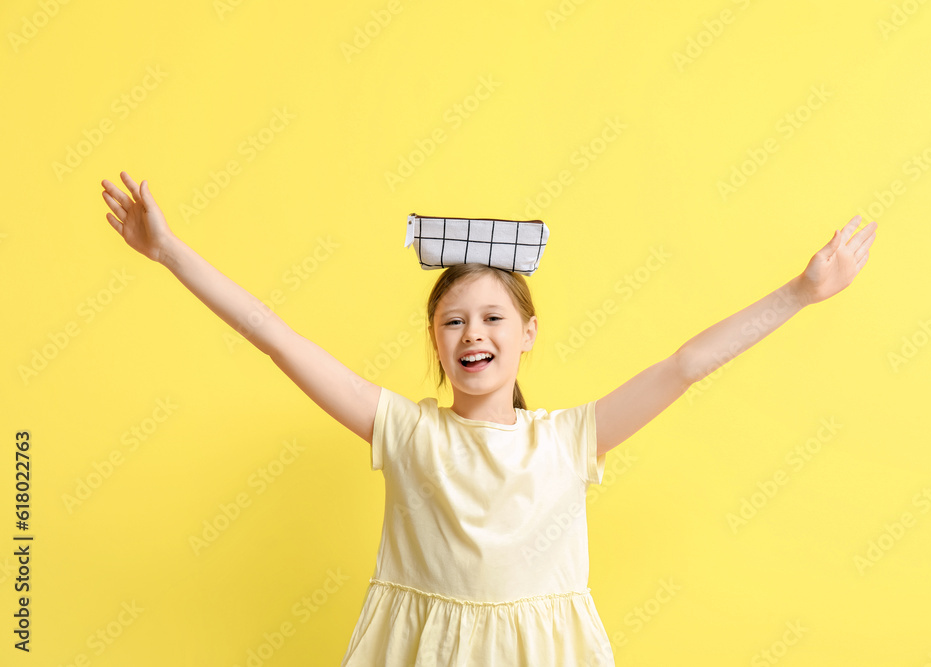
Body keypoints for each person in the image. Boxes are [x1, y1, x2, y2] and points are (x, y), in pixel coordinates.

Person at [100, 171, 877, 666]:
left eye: (494, 318)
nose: (474, 334)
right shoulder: (405, 430)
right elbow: (275, 334)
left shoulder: (570, 438)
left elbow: (684, 364)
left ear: (527, 334)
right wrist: (170, 251)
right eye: (454, 321)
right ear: (436, 343)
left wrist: (800, 292)